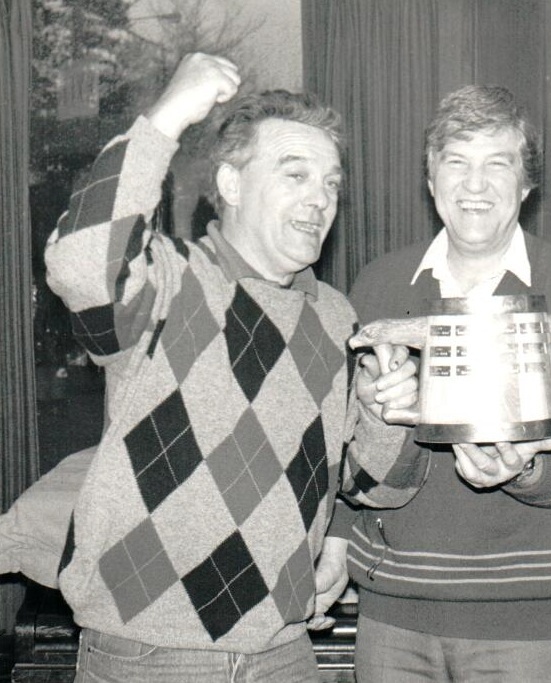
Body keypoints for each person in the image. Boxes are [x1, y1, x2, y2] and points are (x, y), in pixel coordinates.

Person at [43, 52, 418, 682]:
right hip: (149, 657)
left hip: (284, 654)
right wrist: (166, 118)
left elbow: (378, 487)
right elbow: (80, 263)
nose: (320, 199)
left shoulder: (335, 317)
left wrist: (388, 414)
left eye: (331, 183)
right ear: (233, 184)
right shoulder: (170, 279)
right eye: (295, 174)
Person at [333, 84, 551, 682]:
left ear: (527, 183)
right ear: (431, 181)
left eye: (497, 164)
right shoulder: (379, 287)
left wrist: (527, 471)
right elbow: (341, 445)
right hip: (392, 615)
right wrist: (337, 532)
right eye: (455, 163)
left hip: (525, 626)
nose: (475, 185)